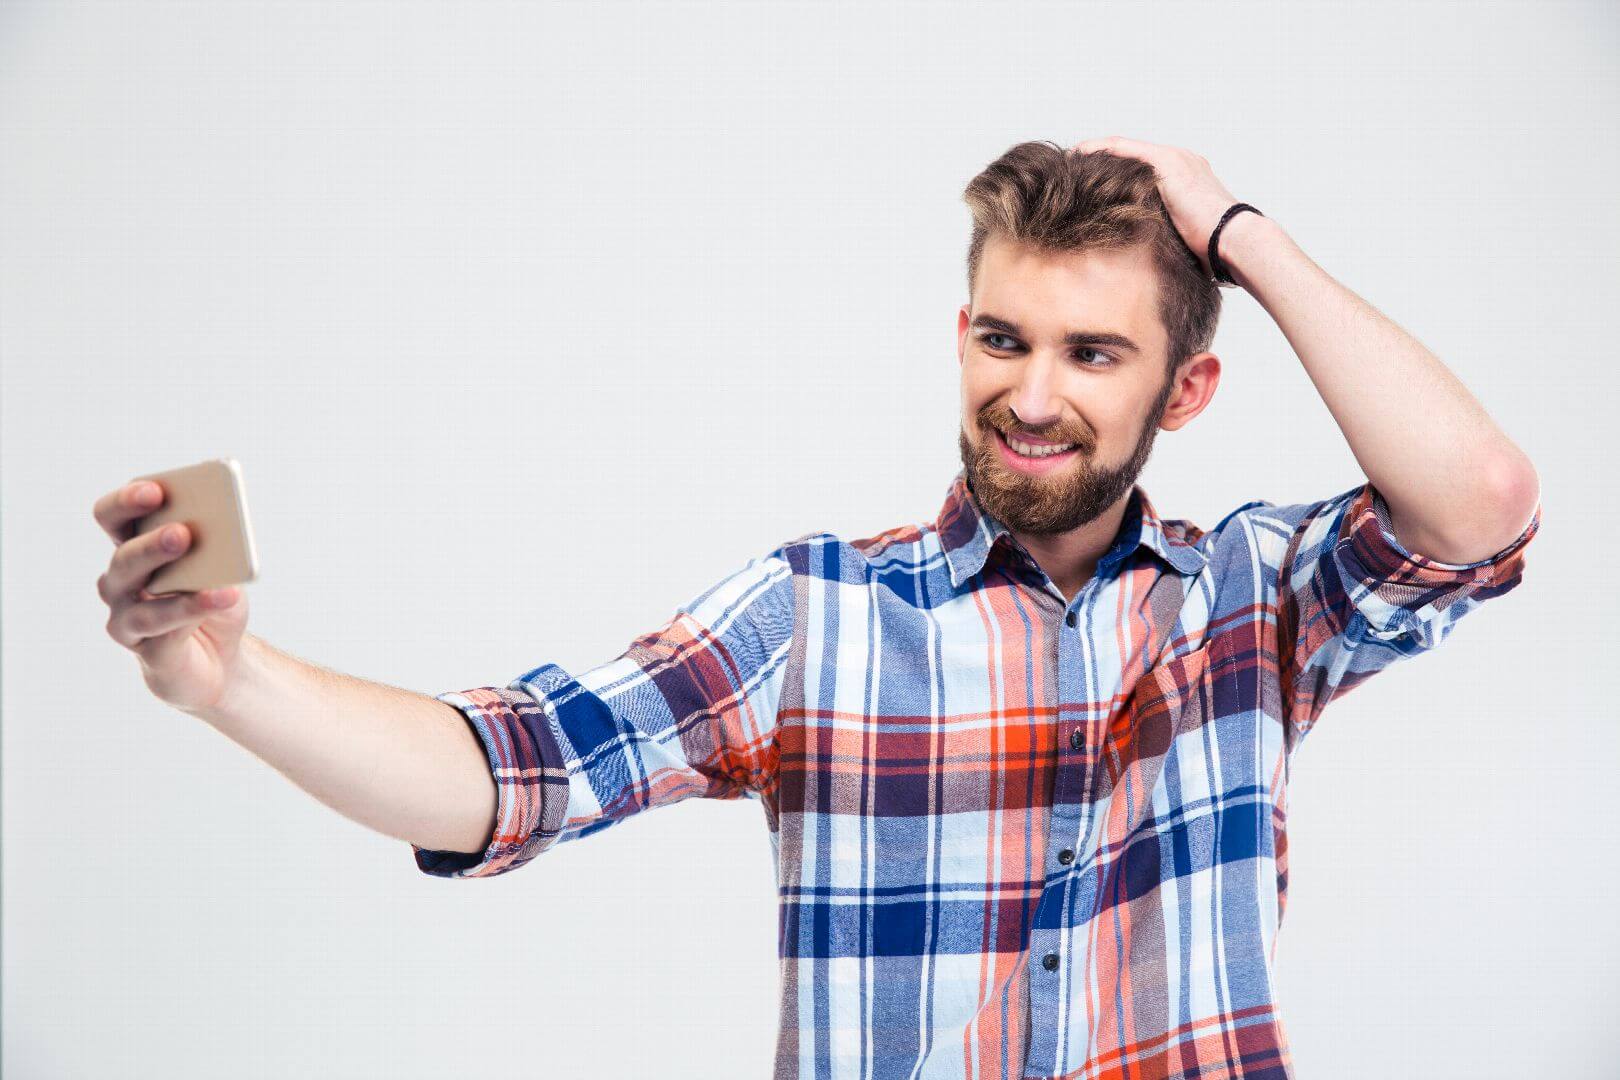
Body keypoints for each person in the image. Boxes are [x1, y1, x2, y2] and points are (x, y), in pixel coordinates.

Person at [95, 136, 1542, 1079]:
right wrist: (233, 679)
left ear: (1186, 388)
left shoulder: (1254, 603)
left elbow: (1478, 497)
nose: (1030, 396)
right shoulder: (816, 614)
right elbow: (515, 769)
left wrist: (1235, 232)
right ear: (959, 335)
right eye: (1001, 337)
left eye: (1095, 353)